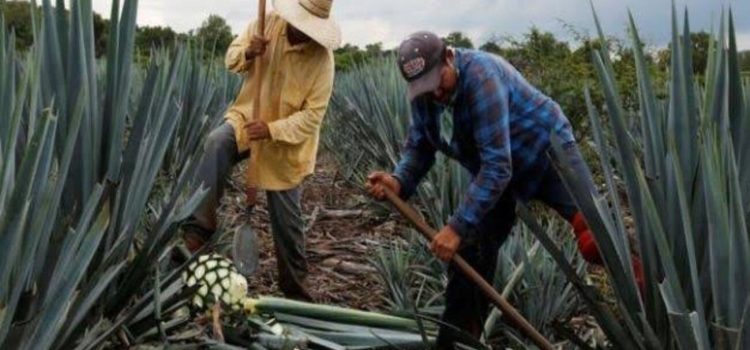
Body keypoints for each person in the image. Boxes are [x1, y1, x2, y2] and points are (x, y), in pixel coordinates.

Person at [366, 31, 643, 349]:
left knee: (597, 236)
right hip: (500, 172)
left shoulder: (482, 76)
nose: (436, 91)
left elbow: (498, 166)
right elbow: (420, 146)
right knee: (470, 255)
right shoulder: (426, 96)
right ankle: (458, 343)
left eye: (437, 79)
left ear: (450, 57)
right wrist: (398, 181)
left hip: (546, 151)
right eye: (425, 87)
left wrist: (455, 226)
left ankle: (658, 310)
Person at [182, 0, 340, 302]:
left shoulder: (323, 62)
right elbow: (231, 58)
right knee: (217, 143)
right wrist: (249, 52)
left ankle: (296, 293)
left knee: (288, 224)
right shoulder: (265, 24)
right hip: (247, 118)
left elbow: (311, 118)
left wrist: (272, 130)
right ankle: (198, 231)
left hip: (285, 145)